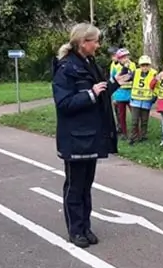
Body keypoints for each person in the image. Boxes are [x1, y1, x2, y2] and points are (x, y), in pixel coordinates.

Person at [52, 23, 132, 248]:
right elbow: (63, 103)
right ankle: (75, 230)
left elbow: (101, 92)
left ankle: (85, 226)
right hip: (75, 138)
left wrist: (115, 83)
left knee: (87, 185)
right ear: (82, 42)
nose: (98, 45)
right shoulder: (66, 68)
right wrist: (90, 94)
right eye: (95, 41)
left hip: (91, 136)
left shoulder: (89, 63)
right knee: (75, 186)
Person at [129, 55, 157, 144]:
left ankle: (143, 136)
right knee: (134, 121)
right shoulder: (135, 72)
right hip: (135, 100)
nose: (144, 67)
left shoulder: (154, 73)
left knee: (144, 121)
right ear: (140, 66)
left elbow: (157, 86)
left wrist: (154, 97)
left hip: (147, 100)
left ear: (150, 65)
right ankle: (133, 137)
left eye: (146, 65)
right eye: (143, 65)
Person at [111, 48, 136, 138]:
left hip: (130, 92)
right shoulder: (114, 66)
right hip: (120, 93)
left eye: (127, 57)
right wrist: (114, 97)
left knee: (134, 115)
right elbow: (112, 80)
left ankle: (136, 132)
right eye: (123, 57)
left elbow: (134, 76)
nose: (125, 59)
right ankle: (124, 133)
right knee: (121, 115)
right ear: (119, 58)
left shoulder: (132, 65)